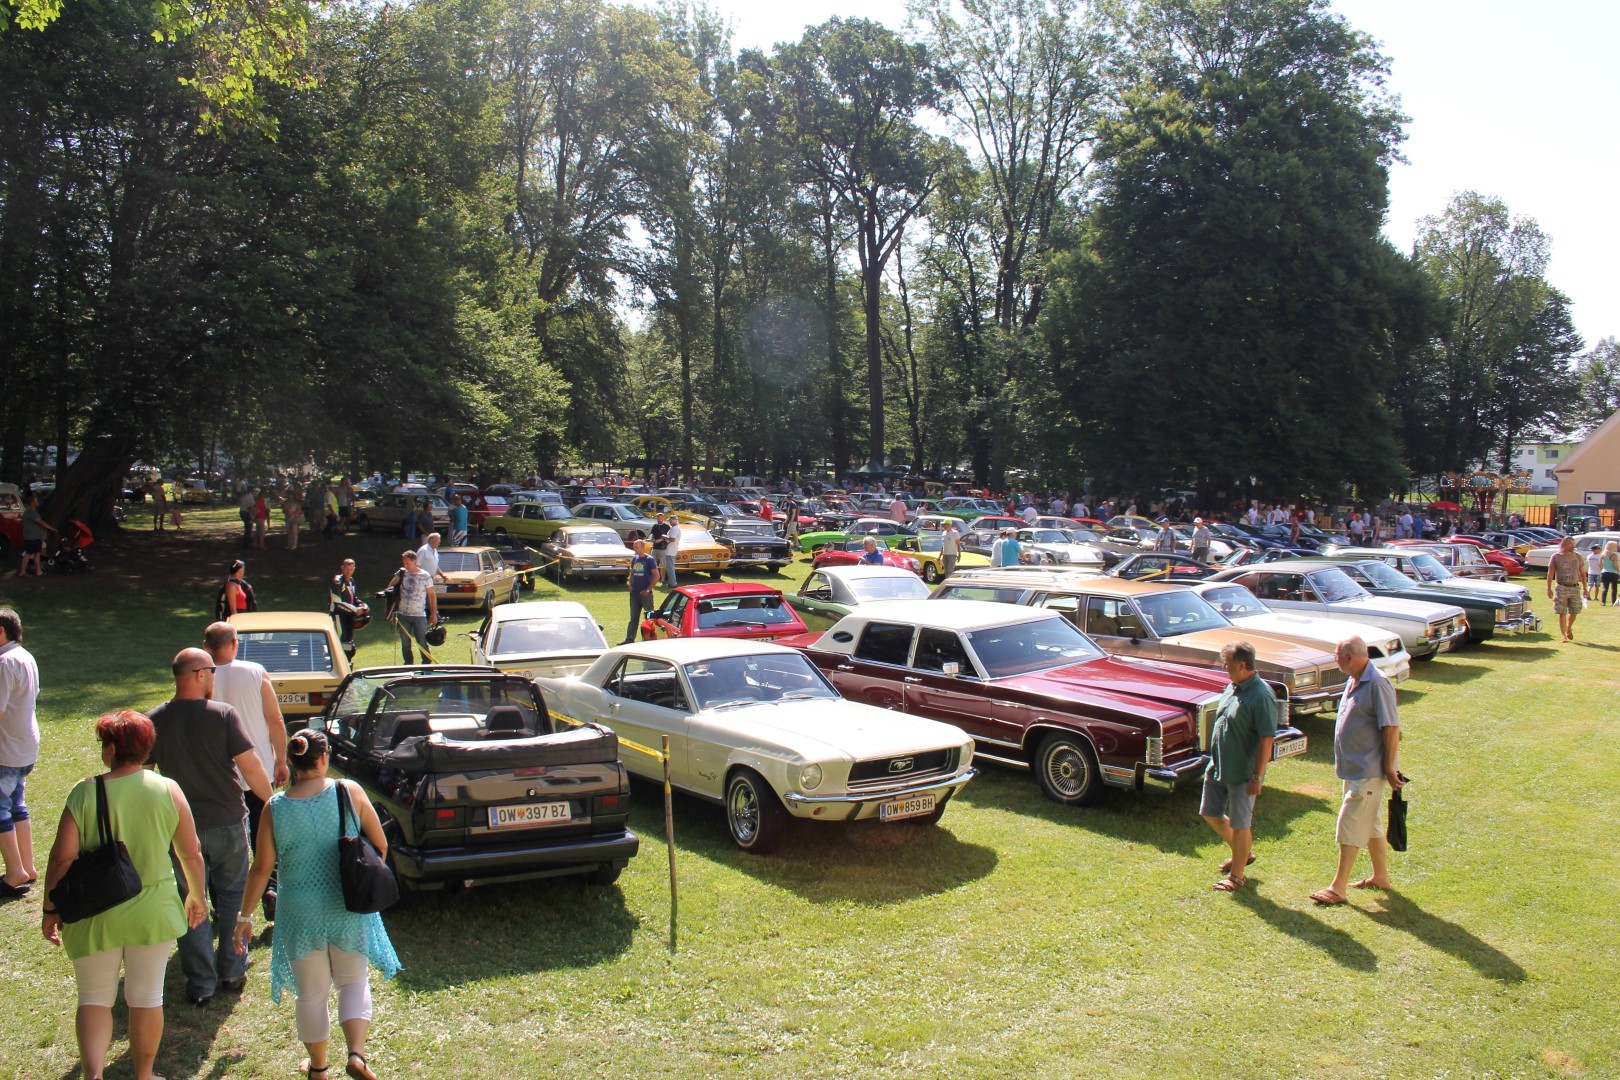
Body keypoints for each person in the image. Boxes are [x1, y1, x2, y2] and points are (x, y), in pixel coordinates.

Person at [41, 710, 209, 1080]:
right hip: (154, 911)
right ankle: (144, 1074)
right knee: (147, 997)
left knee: (94, 998)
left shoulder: (85, 792)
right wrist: (197, 895)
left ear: (112, 749)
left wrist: (50, 907)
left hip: (93, 911)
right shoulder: (168, 789)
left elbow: (61, 858)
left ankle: (93, 1076)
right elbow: (190, 853)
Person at [234, 729, 399, 1080]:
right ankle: (357, 1055)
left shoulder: (274, 807)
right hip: (347, 905)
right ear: (324, 758)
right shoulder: (348, 791)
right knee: (353, 982)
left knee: (311, 994)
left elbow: (262, 867)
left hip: (299, 911)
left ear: (291, 762)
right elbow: (380, 845)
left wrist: (245, 916)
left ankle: (319, 1069)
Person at [147, 649, 273, 1006]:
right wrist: (273, 803)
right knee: (233, 895)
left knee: (191, 902)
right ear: (200, 674)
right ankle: (232, 970)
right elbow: (250, 767)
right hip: (229, 823)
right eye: (213, 673)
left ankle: (201, 983)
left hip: (179, 831)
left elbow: (141, 773)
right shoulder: (223, 715)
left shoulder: (155, 720)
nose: (215, 679)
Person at [1311, 637, 1404, 905]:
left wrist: (1388, 767)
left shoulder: (1377, 684)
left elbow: (1391, 727)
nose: (1335, 659)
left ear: (1350, 657)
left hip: (1369, 770)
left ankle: (1337, 888)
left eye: (1337, 655)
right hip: (1355, 769)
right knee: (1370, 823)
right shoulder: (1354, 680)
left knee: (1350, 822)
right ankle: (1380, 877)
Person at [205, 621, 289, 918]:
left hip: (221, 775)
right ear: (235, 643)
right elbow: (275, 720)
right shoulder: (256, 672)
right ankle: (271, 888)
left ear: (207, 647)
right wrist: (281, 759)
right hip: (259, 770)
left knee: (224, 842)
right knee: (264, 834)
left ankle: (222, 904)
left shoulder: (201, 677)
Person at [1200, 642, 1276, 892]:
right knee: (1210, 813)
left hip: (1243, 771)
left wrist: (1257, 776)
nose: (1224, 667)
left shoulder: (1261, 695)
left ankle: (1237, 876)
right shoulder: (1232, 687)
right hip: (1219, 764)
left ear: (1242, 665)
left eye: (1228, 664)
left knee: (1241, 823)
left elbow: (1267, 738)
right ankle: (1242, 853)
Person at [0, 607, 40, 897]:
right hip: (25, 745)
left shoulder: (3, 663)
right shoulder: (26, 656)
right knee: (16, 803)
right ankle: (28, 865)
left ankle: (15, 872)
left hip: (6, 748)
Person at [390, 551, 437, 663]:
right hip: (403, 614)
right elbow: (390, 587)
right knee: (405, 642)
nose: (406, 566)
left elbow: (432, 595)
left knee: (421, 640)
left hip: (419, 614)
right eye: (404, 563)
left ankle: (426, 663)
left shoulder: (425, 576)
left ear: (415, 561)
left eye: (408, 563)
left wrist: (433, 614)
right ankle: (408, 663)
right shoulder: (401, 573)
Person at [1547, 537, 1586, 642]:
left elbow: (1582, 572)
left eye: (1573, 544)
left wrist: (1586, 588)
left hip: (1574, 587)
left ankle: (1568, 628)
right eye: (1570, 544)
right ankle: (1563, 635)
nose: (1572, 546)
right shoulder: (1556, 557)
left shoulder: (1578, 557)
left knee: (1575, 611)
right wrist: (1548, 588)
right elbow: (1550, 573)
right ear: (1564, 544)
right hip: (1561, 587)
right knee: (1562, 611)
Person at [624, 539, 661, 644]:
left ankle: (651, 638)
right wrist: (630, 584)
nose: (635, 549)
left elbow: (657, 576)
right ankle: (629, 639)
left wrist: (648, 589)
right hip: (634, 593)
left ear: (642, 547)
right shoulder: (635, 559)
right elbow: (632, 573)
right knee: (633, 617)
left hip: (645, 594)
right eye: (634, 547)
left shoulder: (649, 559)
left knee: (649, 617)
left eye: (637, 547)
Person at [330, 559, 366, 657]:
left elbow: (354, 597)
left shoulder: (352, 580)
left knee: (349, 644)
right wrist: (355, 609)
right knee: (340, 641)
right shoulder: (337, 581)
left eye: (351, 569)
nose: (348, 572)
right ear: (342, 568)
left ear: (354, 569)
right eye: (346, 569)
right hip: (338, 616)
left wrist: (362, 605)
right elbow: (337, 603)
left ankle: (348, 664)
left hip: (349, 617)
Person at [18, 490, 57, 578]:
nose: (38, 502)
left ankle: (38, 571)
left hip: (34, 537)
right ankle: (23, 572)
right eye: (37, 501)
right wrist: (52, 528)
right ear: (32, 501)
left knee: (37, 554)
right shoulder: (31, 512)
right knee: (28, 554)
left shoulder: (31, 511)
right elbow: (41, 523)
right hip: (31, 537)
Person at [661, 517, 682, 588]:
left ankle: (673, 583)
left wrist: (665, 537)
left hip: (671, 550)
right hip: (670, 550)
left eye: (670, 521)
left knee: (670, 568)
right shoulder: (674, 528)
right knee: (670, 567)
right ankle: (672, 583)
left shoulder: (675, 529)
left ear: (673, 521)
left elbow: (672, 539)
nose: (669, 522)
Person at [1602, 541, 1620, 607]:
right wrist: (1618, 570)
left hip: (1604, 571)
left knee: (1605, 587)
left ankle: (1603, 602)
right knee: (1614, 588)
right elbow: (1615, 565)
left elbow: (1600, 564)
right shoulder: (1614, 555)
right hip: (1613, 572)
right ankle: (1613, 602)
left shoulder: (1603, 554)